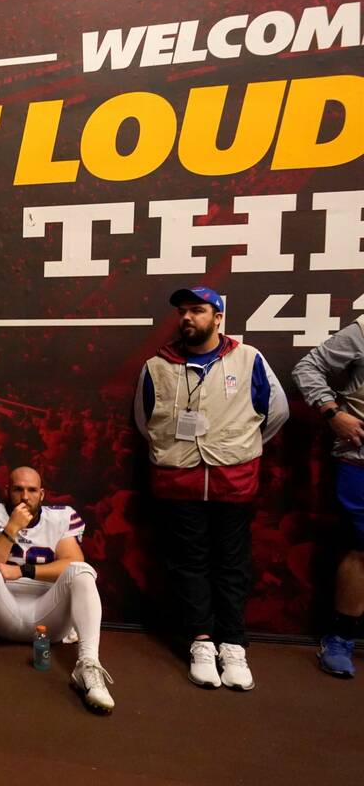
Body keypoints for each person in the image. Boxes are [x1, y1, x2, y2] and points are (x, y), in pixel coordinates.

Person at [133, 286, 288, 690]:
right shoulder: (156, 366)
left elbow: (276, 413)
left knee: (232, 564)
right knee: (188, 563)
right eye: (182, 311)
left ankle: (233, 643)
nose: (187, 318)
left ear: (218, 317)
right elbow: (145, 422)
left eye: (197, 310)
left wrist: (238, 447)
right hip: (178, 483)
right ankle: (201, 641)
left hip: (232, 481)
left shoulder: (249, 359)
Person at [0, 466, 114, 713]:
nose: (25, 496)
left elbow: (73, 561)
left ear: (42, 494)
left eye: (32, 490)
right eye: (18, 489)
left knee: (82, 572)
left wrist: (23, 571)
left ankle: (88, 665)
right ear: (7, 491)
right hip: (4, 612)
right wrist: (11, 529)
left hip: (49, 616)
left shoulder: (62, 517)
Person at [292, 319, 364, 677]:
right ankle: (341, 638)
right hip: (361, 460)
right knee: (360, 549)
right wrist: (333, 413)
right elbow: (307, 368)